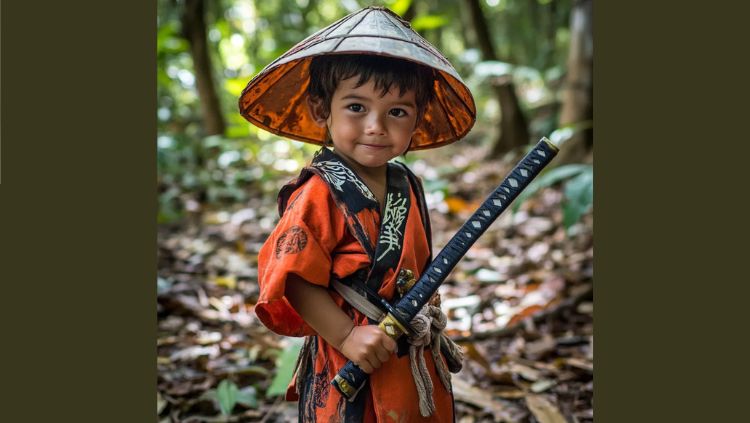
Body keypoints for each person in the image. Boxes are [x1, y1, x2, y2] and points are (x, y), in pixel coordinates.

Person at [239, 6, 476, 422]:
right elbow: (290, 276)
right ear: (320, 110)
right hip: (350, 359)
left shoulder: (407, 185)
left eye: (397, 112)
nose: (376, 126)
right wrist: (346, 335)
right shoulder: (318, 193)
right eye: (356, 107)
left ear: (417, 119)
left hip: (408, 352)